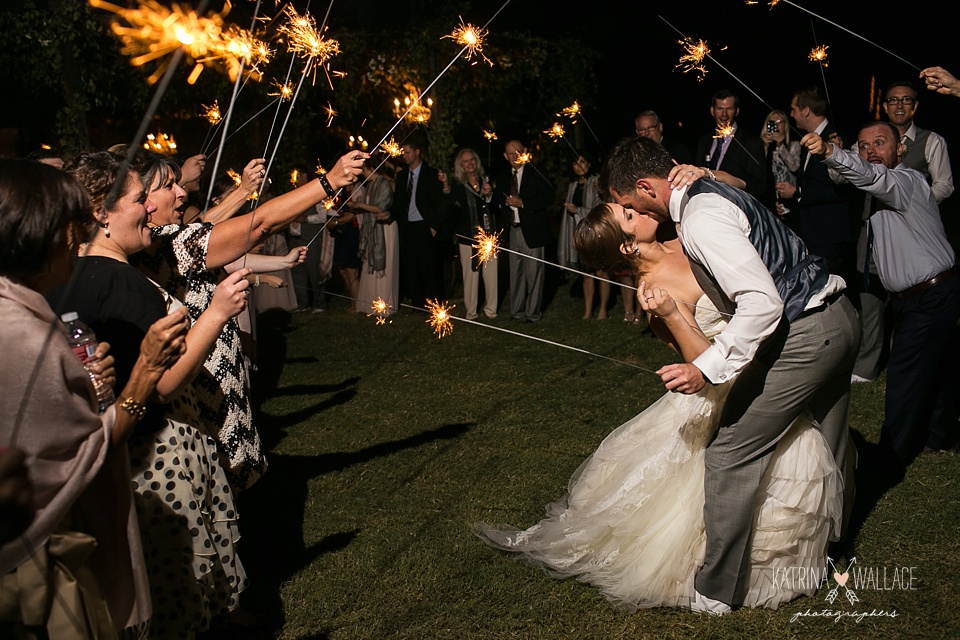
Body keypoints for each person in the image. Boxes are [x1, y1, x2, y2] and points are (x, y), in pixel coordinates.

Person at [476, 194, 845, 612]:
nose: (640, 211)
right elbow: (701, 361)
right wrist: (671, 314)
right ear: (627, 245)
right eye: (629, 215)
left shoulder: (684, 235)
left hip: (769, 356)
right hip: (723, 385)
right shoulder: (654, 293)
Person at [596, 137, 858, 613]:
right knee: (832, 439)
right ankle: (832, 551)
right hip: (840, 316)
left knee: (730, 452)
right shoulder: (708, 192)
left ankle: (717, 591)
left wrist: (708, 368)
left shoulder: (700, 216)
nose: (627, 210)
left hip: (805, 333)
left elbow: (763, 303)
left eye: (626, 203)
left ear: (642, 188)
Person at [52, 151, 256, 638]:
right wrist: (218, 311)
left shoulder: (73, 276)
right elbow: (162, 383)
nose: (150, 209)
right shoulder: (120, 282)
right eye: (140, 199)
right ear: (101, 212)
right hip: (158, 452)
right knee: (179, 593)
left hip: (121, 449)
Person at [1, 158, 187, 637]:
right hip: (39, 561)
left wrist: (83, 381)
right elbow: (87, 457)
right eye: (73, 225)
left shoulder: (23, 310)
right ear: (43, 234)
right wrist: (144, 372)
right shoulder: (19, 334)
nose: (79, 238)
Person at [125, 147, 363, 491]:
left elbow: (215, 225)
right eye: (168, 186)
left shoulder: (162, 242)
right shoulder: (166, 245)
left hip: (210, 379)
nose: (180, 192)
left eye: (179, 184)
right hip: (205, 388)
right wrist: (329, 181)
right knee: (228, 485)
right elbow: (260, 224)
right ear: (144, 200)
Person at [805, 122, 960, 462]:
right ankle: (940, 435)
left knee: (905, 374)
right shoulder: (884, 191)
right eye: (863, 146)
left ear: (900, 149)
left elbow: (872, 176)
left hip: (930, 296)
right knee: (936, 368)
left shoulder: (905, 181)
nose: (871, 151)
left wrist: (831, 152)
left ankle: (890, 456)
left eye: (880, 143)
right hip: (926, 295)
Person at [776, 87, 854, 277]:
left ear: (806, 111)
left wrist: (797, 193)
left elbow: (841, 191)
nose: (791, 115)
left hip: (828, 236)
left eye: (794, 109)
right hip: (812, 235)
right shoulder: (809, 141)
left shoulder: (835, 140)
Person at [492, 140, 554, 322]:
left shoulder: (536, 172)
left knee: (534, 273)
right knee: (515, 273)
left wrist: (524, 203)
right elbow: (497, 200)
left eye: (517, 152)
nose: (514, 157)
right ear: (505, 156)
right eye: (510, 154)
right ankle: (517, 311)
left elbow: (549, 196)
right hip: (513, 230)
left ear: (525, 151)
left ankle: (532, 313)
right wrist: (490, 194)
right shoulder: (504, 177)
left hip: (533, 231)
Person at [390, 138, 447, 308]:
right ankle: (417, 303)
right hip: (407, 227)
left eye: (407, 152)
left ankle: (433, 302)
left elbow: (440, 203)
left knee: (429, 266)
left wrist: (434, 226)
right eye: (403, 153)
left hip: (425, 225)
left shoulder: (430, 173)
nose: (404, 156)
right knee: (411, 266)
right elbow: (399, 202)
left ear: (417, 152)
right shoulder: (401, 176)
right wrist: (388, 215)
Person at [441, 148, 498, 320]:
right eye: (465, 161)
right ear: (461, 165)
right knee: (471, 276)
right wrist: (444, 185)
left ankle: (491, 310)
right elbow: (450, 204)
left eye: (472, 159)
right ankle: (471, 312)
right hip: (467, 236)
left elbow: (495, 207)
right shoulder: (458, 185)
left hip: (488, 235)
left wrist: (489, 196)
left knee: (490, 274)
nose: (470, 163)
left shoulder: (486, 180)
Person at [559, 152, 608, 319]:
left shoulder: (596, 182)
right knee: (587, 273)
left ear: (589, 163)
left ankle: (602, 309)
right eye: (575, 162)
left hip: (595, 232)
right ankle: (587, 311)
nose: (579, 165)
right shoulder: (573, 185)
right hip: (579, 233)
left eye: (583, 161)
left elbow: (602, 207)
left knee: (601, 272)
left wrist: (578, 210)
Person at [695, 90, 767, 202]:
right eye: (719, 109)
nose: (724, 114)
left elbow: (760, 185)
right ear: (712, 111)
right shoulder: (705, 141)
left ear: (737, 111)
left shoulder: (751, 142)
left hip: (735, 207)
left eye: (729, 109)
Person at [354, 159, 398, 317]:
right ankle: (370, 304)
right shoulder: (370, 186)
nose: (363, 173)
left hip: (383, 228)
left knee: (384, 264)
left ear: (373, 169)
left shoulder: (384, 183)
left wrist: (360, 206)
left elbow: (381, 207)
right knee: (368, 266)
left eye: (364, 170)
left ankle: (384, 304)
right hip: (372, 228)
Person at [760, 109, 800, 212]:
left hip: (789, 197)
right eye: (773, 122)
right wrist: (765, 146)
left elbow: (794, 167)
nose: (776, 126)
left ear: (785, 125)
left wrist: (780, 145)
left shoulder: (794, 145)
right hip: (768, 197)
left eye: (780, 122)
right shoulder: (761, 146)